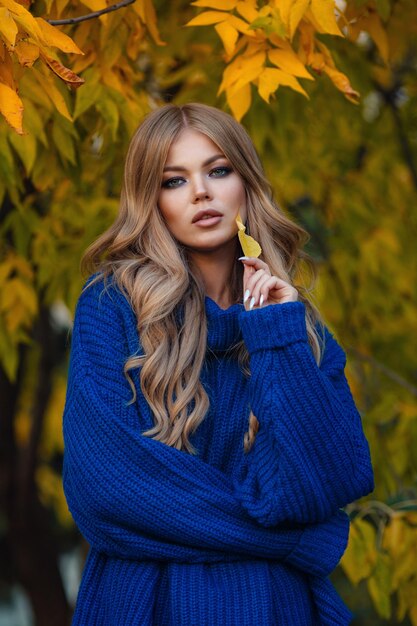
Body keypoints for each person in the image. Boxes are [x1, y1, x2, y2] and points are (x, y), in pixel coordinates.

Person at [62, 102, 374, 625]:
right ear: (151, 199)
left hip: (276, 608)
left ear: (245, 182)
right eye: (173, 180)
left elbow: (330, 478)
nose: (201, 193)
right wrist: (298, 541)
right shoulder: (111, 308)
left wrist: (276, 338)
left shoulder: (297, 329)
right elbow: (107, 492)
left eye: (218, 170)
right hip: (147, 605)